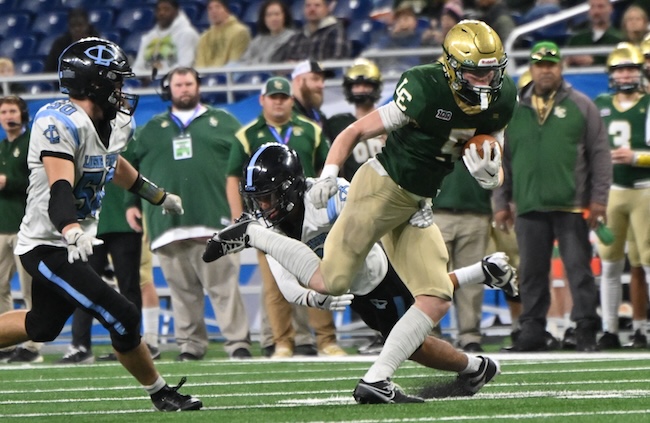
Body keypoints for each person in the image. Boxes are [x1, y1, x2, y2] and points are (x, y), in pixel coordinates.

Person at [210, 20, 516, 404]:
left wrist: (492, 175)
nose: (486, 79)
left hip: (418, 202)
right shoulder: (424, 87)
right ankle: (253, 234)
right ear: (451, 66)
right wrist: (331, 173)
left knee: (435, 295)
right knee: (329, 282)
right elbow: (354, 132)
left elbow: (494, 157)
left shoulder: (504, 98)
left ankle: (377, 379)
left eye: (491, 69)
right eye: (476, 70)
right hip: (381, 187)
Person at [3, 37, 200, 411]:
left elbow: (113, 163)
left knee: (42, 327)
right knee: (122, 313)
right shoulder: (58, 122)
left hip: (72, 239)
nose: (121, 90)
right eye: (116, 81)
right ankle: (160, 393)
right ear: (94, 83)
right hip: (47, 243)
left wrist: (156, 195)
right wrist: (70, 229)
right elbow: (60, 186)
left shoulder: (115, 121)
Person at [242, 142, 517, 382]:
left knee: (411, 342)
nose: (262, 207)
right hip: (355, 288)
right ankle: (481, 271)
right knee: (408, 329)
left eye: (267, 198)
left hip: (379, 273)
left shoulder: (326, 196)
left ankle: (476, 367)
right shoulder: (269, 230)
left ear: (289, 188)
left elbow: (378, 204)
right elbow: (286, 285)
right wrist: (314, 300)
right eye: (257, 200)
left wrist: (417, 205)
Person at [493, 41, 612, 352]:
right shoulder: (514, 110)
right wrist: (501, 203)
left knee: (579, 270)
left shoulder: (582, 105)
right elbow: (502, 161)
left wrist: (599, 200)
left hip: (572, 204)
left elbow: (600, 156)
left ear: (561, 68)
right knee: (531, 271)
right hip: (528, 204)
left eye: (551, 65)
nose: (546, 71)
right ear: (531, 69)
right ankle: (532, 330)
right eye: (540, 65)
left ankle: (585, 329)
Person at [126, 66, 252, 361]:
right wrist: (130, 205)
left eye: (188, 83)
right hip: (166, 225)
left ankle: (238, 343)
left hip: (215, 221)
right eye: (178, 84)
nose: (183, 89)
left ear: (199, 87)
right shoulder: (149, 129)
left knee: (224, 288)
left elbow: (246, 166)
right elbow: (127, 170)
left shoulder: (225, 122)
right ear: (168, 89)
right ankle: (190, 346)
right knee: (182, 292)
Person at [225, 76, 343, 358]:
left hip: (309, 218)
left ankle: (326, 340)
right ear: (262, 100)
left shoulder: (311, 130)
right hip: (269, 219)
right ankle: (283, 342)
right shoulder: (247, 134)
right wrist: (238, 218)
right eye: (273, 96)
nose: (278, 101)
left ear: (292, 100)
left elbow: (328, 167)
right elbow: (232, 178)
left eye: (284, 97)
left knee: (319, 277)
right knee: (275, 284)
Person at [592, 42, 650, 349]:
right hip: (612, 191)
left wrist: (637, 157)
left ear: (640, 71)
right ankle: (610, 329)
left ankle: (645, 327)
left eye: (630, 68)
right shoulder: (601, 103)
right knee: (610, 263)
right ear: (611, 74)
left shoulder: (649, 102)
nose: (626, 74)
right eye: (620, 69)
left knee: (648, 262)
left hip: (644, 189)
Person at [0, 95, 43, 363]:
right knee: (0, 287)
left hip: (25, 226)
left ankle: (32, 346)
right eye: (3, 111)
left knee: (30, 290)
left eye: (12, 110)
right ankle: (6, 342)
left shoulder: (31, 143)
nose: (7, 116)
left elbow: (37, 180)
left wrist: (9, 182)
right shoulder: (2, 147)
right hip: (2, 226)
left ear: (23, 113)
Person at [132, 0, 200, 80]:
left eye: (166, 9)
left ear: (176, 11)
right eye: (159, 10)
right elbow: (138, 66)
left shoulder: (187, 34)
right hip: (148, 84)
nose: (162, 13)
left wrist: (156, 77)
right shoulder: (149, 37)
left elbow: (185, 65)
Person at [271, 0, 351, 62]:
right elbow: (275, 61)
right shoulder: (297, 36)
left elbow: (337, 63)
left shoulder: (336, 31)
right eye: (308, 6)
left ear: (327, 9)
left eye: (317, 5)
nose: (312, 9)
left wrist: (304, 67)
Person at [366, 4, 425, 74]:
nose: (404, 21)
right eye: (400, 18)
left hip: (412, 74)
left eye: (407, 18)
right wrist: (393, 34)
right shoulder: (388, 37)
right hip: (389, 73)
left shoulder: (421, 36)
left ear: (415, 22)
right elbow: (376, 50)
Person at [565, 0, 623, 67]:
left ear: (610, 9)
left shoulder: (619, 39)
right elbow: (565, 64)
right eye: (592, 7)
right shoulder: (576, 39)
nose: (596, 11)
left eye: (600, 6)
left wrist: (594, 61)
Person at [194, 0, 251, 69]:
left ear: (227, 11)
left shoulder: (240, 32)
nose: (213, 11)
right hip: (206, 77)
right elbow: (200, 64)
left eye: (217, 7)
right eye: (210, 8)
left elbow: (235, 62)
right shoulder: (204, 37)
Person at [43, 8, 101, 73]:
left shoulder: (99, 45)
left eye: (80, 25)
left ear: (87, 25)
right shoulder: (59, 45)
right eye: (73, 26)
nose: (77, 29)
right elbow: (48, 71)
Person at [238, 0, 296, 65]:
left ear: (284, 16)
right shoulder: (258, 40)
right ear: (264, 19)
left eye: (277, 14)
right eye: (269, 15)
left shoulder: (294, 39)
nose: (273, 18)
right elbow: (243, 61)